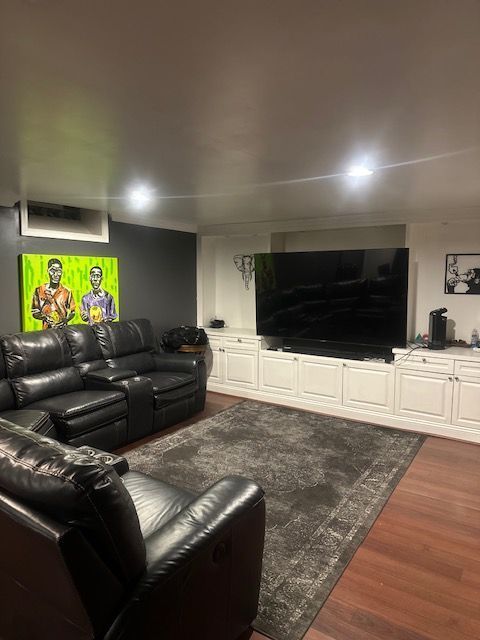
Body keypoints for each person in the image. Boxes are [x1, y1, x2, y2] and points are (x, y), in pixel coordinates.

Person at [31, 258, 76, 329]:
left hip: (63, 331)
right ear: (48, 271)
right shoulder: (39, 290)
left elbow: (72, 312)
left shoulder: (67, 292)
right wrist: (45, 317)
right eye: (52, 270)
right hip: (46, 332)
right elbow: (34, 312)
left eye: (59, 271)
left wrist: (65, 320)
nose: (56, 274)